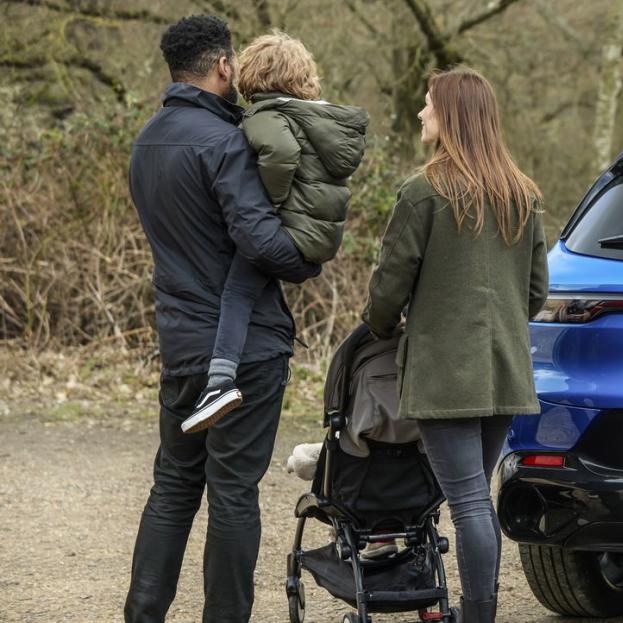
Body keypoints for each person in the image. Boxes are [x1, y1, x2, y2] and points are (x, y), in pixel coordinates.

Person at [124, 15, 319, 623]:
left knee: (174, 485)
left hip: (179, 344)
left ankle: (143, 612)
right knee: (233, 491)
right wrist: (306, 258)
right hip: (246, 353)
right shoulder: (226, 141)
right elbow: (260, 243)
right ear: (225, 67)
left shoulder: (147, 141)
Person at [363, 66, 549, 623]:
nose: (422, 113)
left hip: (447, 372)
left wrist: (378, 327)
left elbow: (388, 285)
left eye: (429, 105)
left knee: (468, 501)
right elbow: (536, 292)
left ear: (453, 118)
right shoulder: (523, 194)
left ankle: (477, 616)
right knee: (473, 498)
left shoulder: (424, 193)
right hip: (504, 370)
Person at [184, 30, 368, 433]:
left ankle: (219, 382)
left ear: (255, 76)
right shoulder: (316, 117)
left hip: (290, 231)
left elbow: (281, 155)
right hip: (315, 236)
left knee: (236, 290)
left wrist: (267, 204)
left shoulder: (269, 117)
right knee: (248, 289)